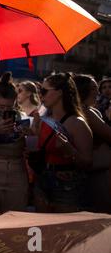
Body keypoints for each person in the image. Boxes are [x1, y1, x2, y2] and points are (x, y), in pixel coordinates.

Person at [32, 73, 93, 213]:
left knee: (63, 231)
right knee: (42, 228)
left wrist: (70, 150)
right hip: (42, 178)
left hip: (67, 184)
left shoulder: (76, 123)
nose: (41, 95)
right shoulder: (43, 119)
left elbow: (88, 162)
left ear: (59, 92)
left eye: (44, 91)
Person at [0, 72, 29, 224]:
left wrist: (28, 136)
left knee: (13, 218)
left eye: (10, 106)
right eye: (1, 106)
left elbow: (30, 147)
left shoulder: (21, 116)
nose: (4, 110)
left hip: (16, 169)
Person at [73, 74, 111, 213]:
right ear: (83, 91)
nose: (98, 92)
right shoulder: (86, 112)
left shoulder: (83, 110)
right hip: (96, 172)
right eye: (94, 88)